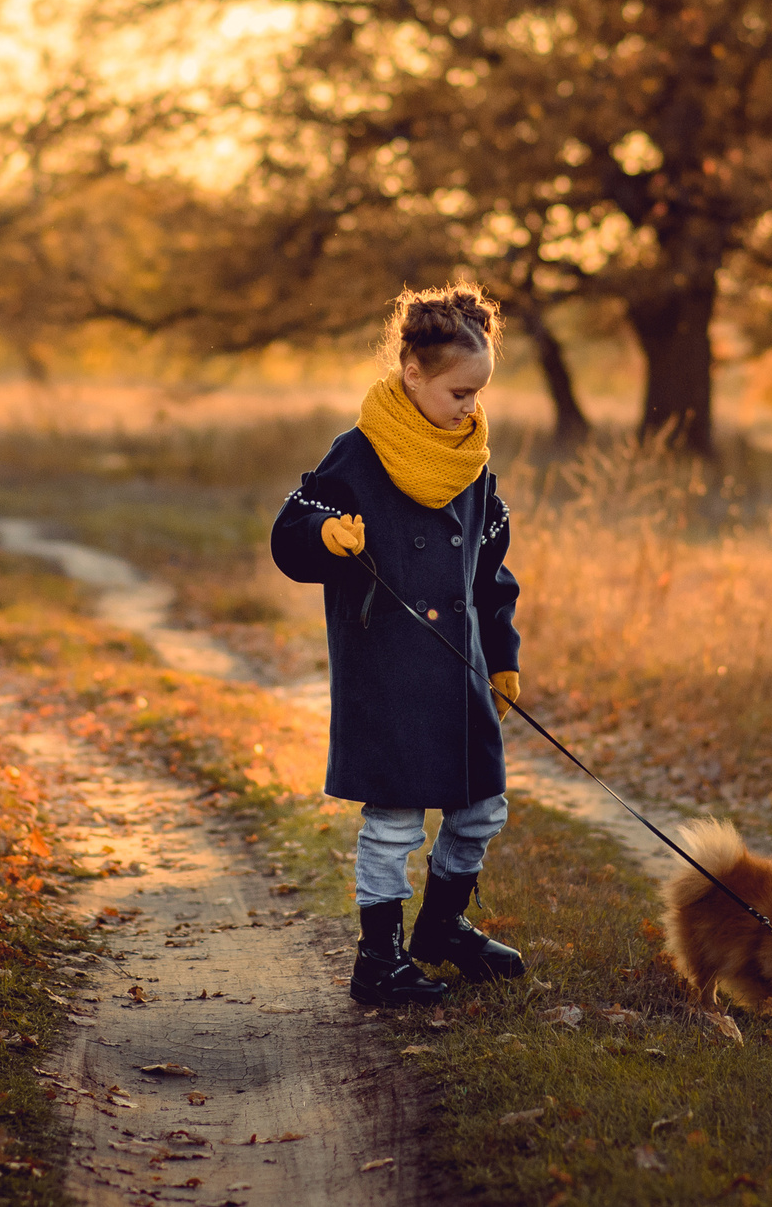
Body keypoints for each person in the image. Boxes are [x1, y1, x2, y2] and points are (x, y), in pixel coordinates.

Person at [270, 283, 530, 1007]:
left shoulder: (469, 462)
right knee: (392, 823)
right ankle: (377, 959)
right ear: (414, 373)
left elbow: (490, 570)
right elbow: (292, 530)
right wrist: (325, 534)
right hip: (386, 672)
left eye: (479, 392)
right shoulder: (357, 454)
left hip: (458, 673)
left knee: (481, 807)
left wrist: (501, 653)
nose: (470, 406)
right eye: (458, 391)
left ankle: (442, 927)